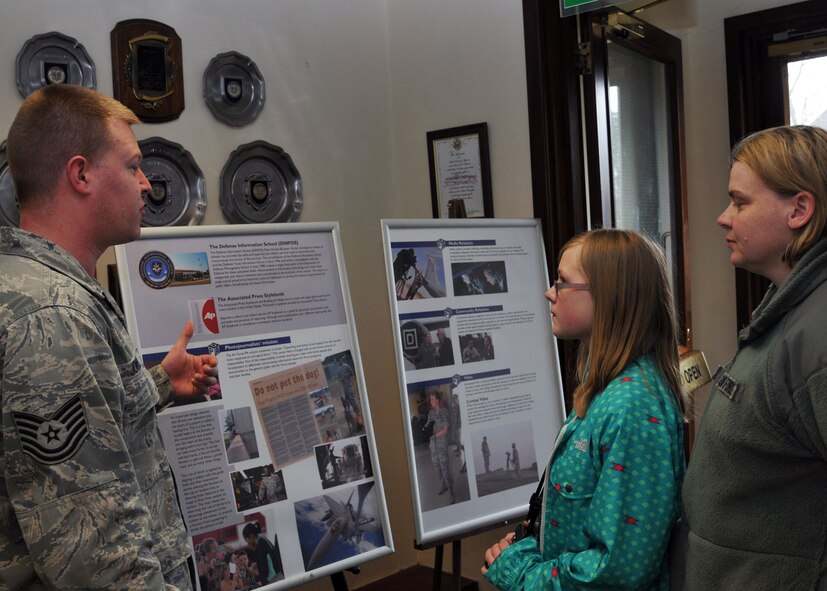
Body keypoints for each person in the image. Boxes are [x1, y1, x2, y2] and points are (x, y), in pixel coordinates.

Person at [0, 84, 218, 589]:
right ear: (80, 175)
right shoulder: (54, 315)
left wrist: (160, 382)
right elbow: (99, 558)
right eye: (132, 166)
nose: (146, 184)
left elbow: (84, 428)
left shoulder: (32, 283)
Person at [482, 229, 685, 590]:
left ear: (608, 297)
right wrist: (524, 549)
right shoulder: (605, 389)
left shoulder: (632, 408)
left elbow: (617, 570)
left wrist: (520, 574)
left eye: (562, 282)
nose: (550, 293)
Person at [679, 126, 827, 590]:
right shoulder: (790, 312)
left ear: (799, 210)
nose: (723, 218)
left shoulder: (819, 332)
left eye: (740, 202)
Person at [427, 389, 455, 504]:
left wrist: (435, 435)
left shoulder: (444, 411)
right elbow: (427, 426)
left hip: (442, 443)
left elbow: (445, 430)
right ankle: (443, 484)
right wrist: (426, 430)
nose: (431, 402)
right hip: (433, 445)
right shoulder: (431, 413)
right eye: (430, 400)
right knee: (437, 466)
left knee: (444, 467)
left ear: (438, 400)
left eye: (432, 399)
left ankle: (451, 492)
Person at [242, 521, 284, 586]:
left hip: (273, 579)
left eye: (246, 540)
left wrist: (259, 575)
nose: (247, 543)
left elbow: (264, 568)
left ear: (251, 536)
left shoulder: (260, 545)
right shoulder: (263, 539)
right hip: (278, 575)